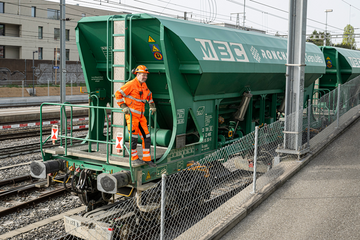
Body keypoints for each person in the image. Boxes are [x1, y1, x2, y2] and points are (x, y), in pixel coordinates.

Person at [115, 65, 157, 167]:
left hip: (141, 116)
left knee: (146, 137)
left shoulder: (144, 85)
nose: (145, 77)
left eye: (146, 75)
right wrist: (123, 106)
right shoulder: (131, 84)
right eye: (143, 75)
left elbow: (149, 95)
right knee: (133, 138)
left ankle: (147, 158)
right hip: (132, 116)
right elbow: (118, 94)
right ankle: (134, 158)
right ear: (137, 75)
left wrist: (152, 105)